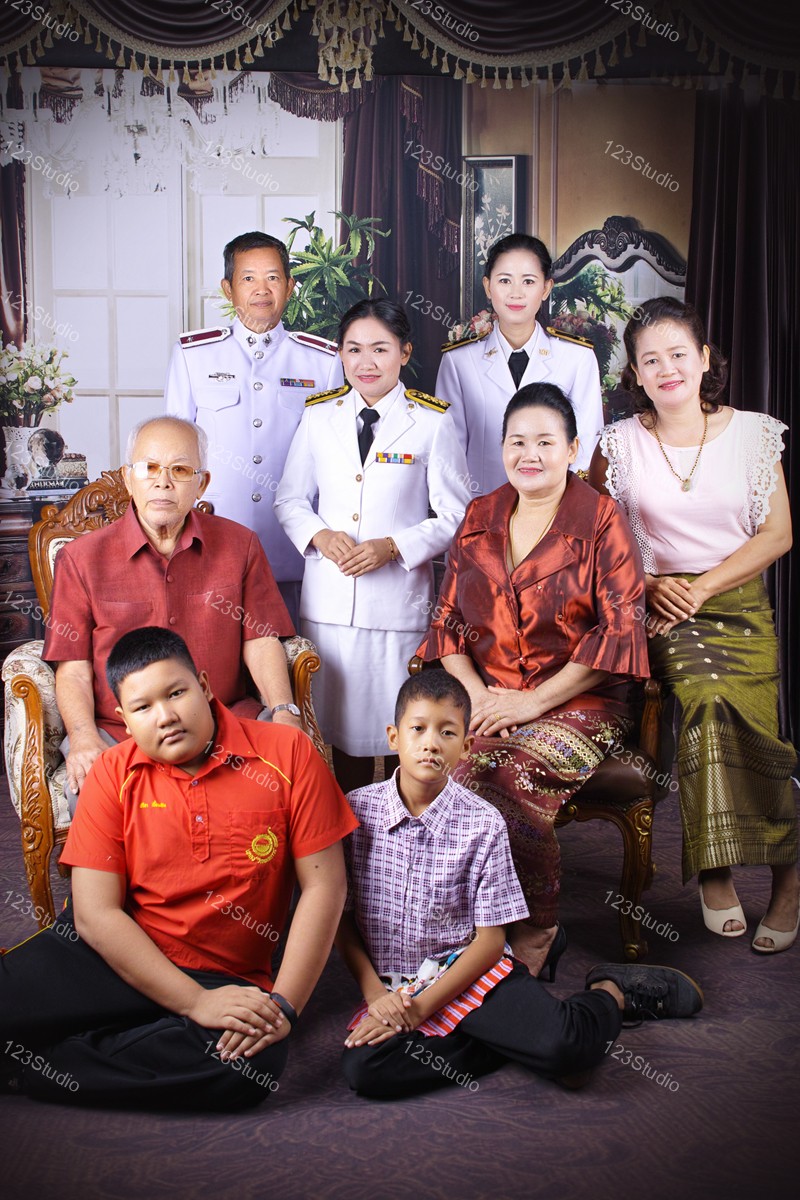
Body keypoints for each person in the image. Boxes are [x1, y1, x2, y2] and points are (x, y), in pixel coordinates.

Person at [0, 627, 358, 1109]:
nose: (165, 716)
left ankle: (31, 1069)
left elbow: (325, 887)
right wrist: (192, 1004)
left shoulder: (287, 753)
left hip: (222, 972)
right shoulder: (111, 773)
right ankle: (128, 1035)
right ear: (125, 721)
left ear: (204, 686)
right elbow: (95, 916)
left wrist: (283, 1008)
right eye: (143, 707)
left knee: (249, 1066)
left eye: (176, 693)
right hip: (115, 952)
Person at [337, 670, 703, 1099]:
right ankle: (528, 1049)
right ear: (393, 737)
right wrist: (375, 995)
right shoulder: (356, 813)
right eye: (418, 729)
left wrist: (419, 1012)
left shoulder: (482, 822)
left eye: (447, 732)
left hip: (466, 970)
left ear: (466, 747)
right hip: (395, 986)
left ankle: (611, 993)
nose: (431, 743)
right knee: (365, 1069)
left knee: (567, 1048)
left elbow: (490, 943)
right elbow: (342, 920)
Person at [416, 382, 649, 975]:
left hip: (583, 702)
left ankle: (537, 926)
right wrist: (476, 697)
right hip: (490, 698)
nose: (530, 454)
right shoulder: (480, 514)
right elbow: (445, 622)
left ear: (572, 449)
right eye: (517, 441)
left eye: (546, 442)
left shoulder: (601, 519)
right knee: (445, 775)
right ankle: (467, 927)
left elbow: (621, 629)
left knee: (504, 775)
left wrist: (534, 702)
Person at [589, 298, 798, 954]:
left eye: (679, 354)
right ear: (636, 373)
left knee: (759, 732)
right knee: (706, 702)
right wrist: (650, 585)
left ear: (705, 359)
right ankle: (715, 869)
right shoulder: (618, 444)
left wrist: (705, 587)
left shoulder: (754, 434)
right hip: (663, 609)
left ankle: (788, 876)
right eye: (650, 360)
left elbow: (778, 533)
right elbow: (597, 539)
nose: (667, 368)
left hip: (738, 605)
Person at [44, 416, 298, 815]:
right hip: (122, 731)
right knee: (93, 797)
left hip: (225, 721)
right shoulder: (80, 559)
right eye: (149, 468)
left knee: (293, 775)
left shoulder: (240, 545)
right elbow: (73, 668)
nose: (163, 482)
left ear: (201, 484)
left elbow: (261, 640)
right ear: (128, 478)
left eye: (180, 470)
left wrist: (284, 710)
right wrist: (83, 737)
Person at [274, 298, 471, 795]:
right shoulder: (319, 416)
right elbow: (289, 499)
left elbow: (456, 515)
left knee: (399, 732)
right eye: (354, 349)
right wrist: (320, 535)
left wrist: (394, 546)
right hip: (329, 606)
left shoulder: (431, 421)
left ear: (404, 353)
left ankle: (397, 830)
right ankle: (347, 833)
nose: (366, 362)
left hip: (395, 608)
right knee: (334, 738)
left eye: (380, 349)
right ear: (340, 354)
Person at [164, 230, 344, 624]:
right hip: (213, 537)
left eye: (273, 278)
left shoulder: (322, 360)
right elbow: (173, 454)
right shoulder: (194, 355)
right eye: (248, 278)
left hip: (293, 546)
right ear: (228, 288)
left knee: (296, 650)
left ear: (290, 287)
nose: (262, 289)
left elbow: (335, 458)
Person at [435, 233, 604, 495]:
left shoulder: (577, 358)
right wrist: (464, 514)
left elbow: (585, 448)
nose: (516, 293)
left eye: (528, 281)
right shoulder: (459, 362)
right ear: (488, 286)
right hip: (480, 505)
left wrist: (567, 512)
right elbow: (448, 452)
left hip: (554, 507)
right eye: (504, 280)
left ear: (546, 288)